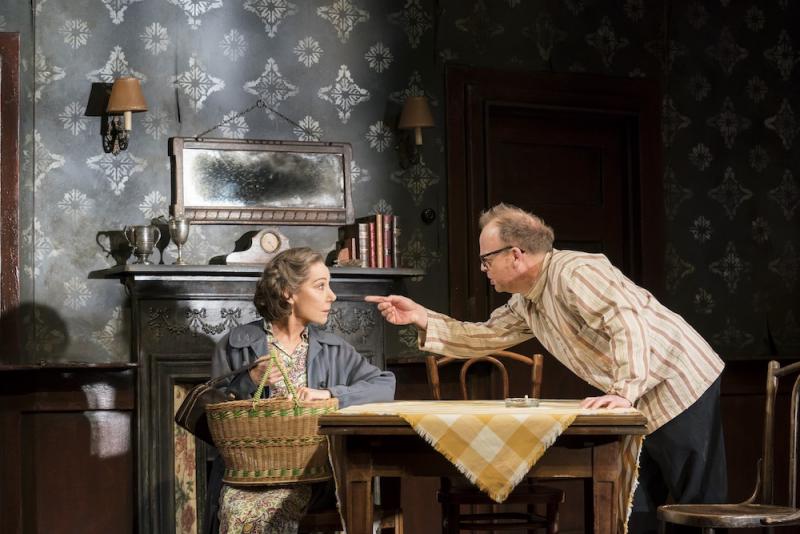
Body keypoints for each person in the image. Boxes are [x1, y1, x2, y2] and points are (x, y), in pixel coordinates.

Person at [366, 203, 726, 534]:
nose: (482, 268)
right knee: (639, 506)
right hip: (637, 399)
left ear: (516, 255)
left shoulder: (575, 272)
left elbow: (626, 319)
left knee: (694, 506)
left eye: (486, 259)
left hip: (677, 382)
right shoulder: (528, 300)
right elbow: (486, 335)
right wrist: (422, 318)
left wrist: (623, 390)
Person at [206, 247, 396, 534]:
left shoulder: (335, 350)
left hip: (312, 476)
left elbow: (386, 386)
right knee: (239, 510)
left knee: (272, 511)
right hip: (248, 477)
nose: (331, 295)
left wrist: (332, 394)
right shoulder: (236, 346)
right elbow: (213, 419)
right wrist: (249, 380)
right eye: (320, 286)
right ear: (288, 292)